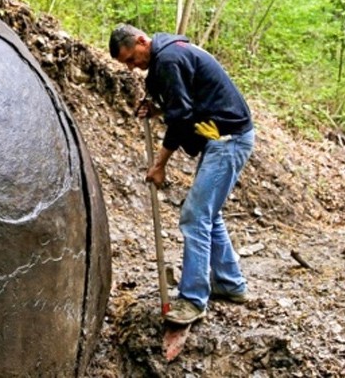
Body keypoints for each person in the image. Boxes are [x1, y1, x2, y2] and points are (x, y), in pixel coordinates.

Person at [109, 24, 255, 325]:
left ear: (141, 41)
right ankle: (230, 284)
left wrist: (160, 164)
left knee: (195, 215)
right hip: (223, 137)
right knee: (208, 214)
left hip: (228, 140)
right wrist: (157, 109)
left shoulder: (170, 59)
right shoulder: (172, 54)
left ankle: (193, 300)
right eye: (126, 64)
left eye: (131, 59)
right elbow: (185, 103)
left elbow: (182, 117)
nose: (132, 67)